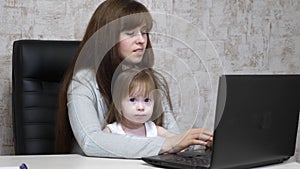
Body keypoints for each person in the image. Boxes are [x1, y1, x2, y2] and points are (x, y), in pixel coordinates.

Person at [55, 0, 213, 158]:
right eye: (130, 33)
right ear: (106, 39)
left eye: (144, 32)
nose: (142, 40)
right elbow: (91, 141)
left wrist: (200, 143)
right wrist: (164, 144)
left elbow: (174, 139)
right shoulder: (83, 82)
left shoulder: (150, 79)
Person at [103, 68, 175, 138]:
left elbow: (176, 142)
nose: (141, 107)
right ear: (118, 103)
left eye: (146, 100)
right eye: (133, 100)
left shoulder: (154, 130)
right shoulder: (112, 131)